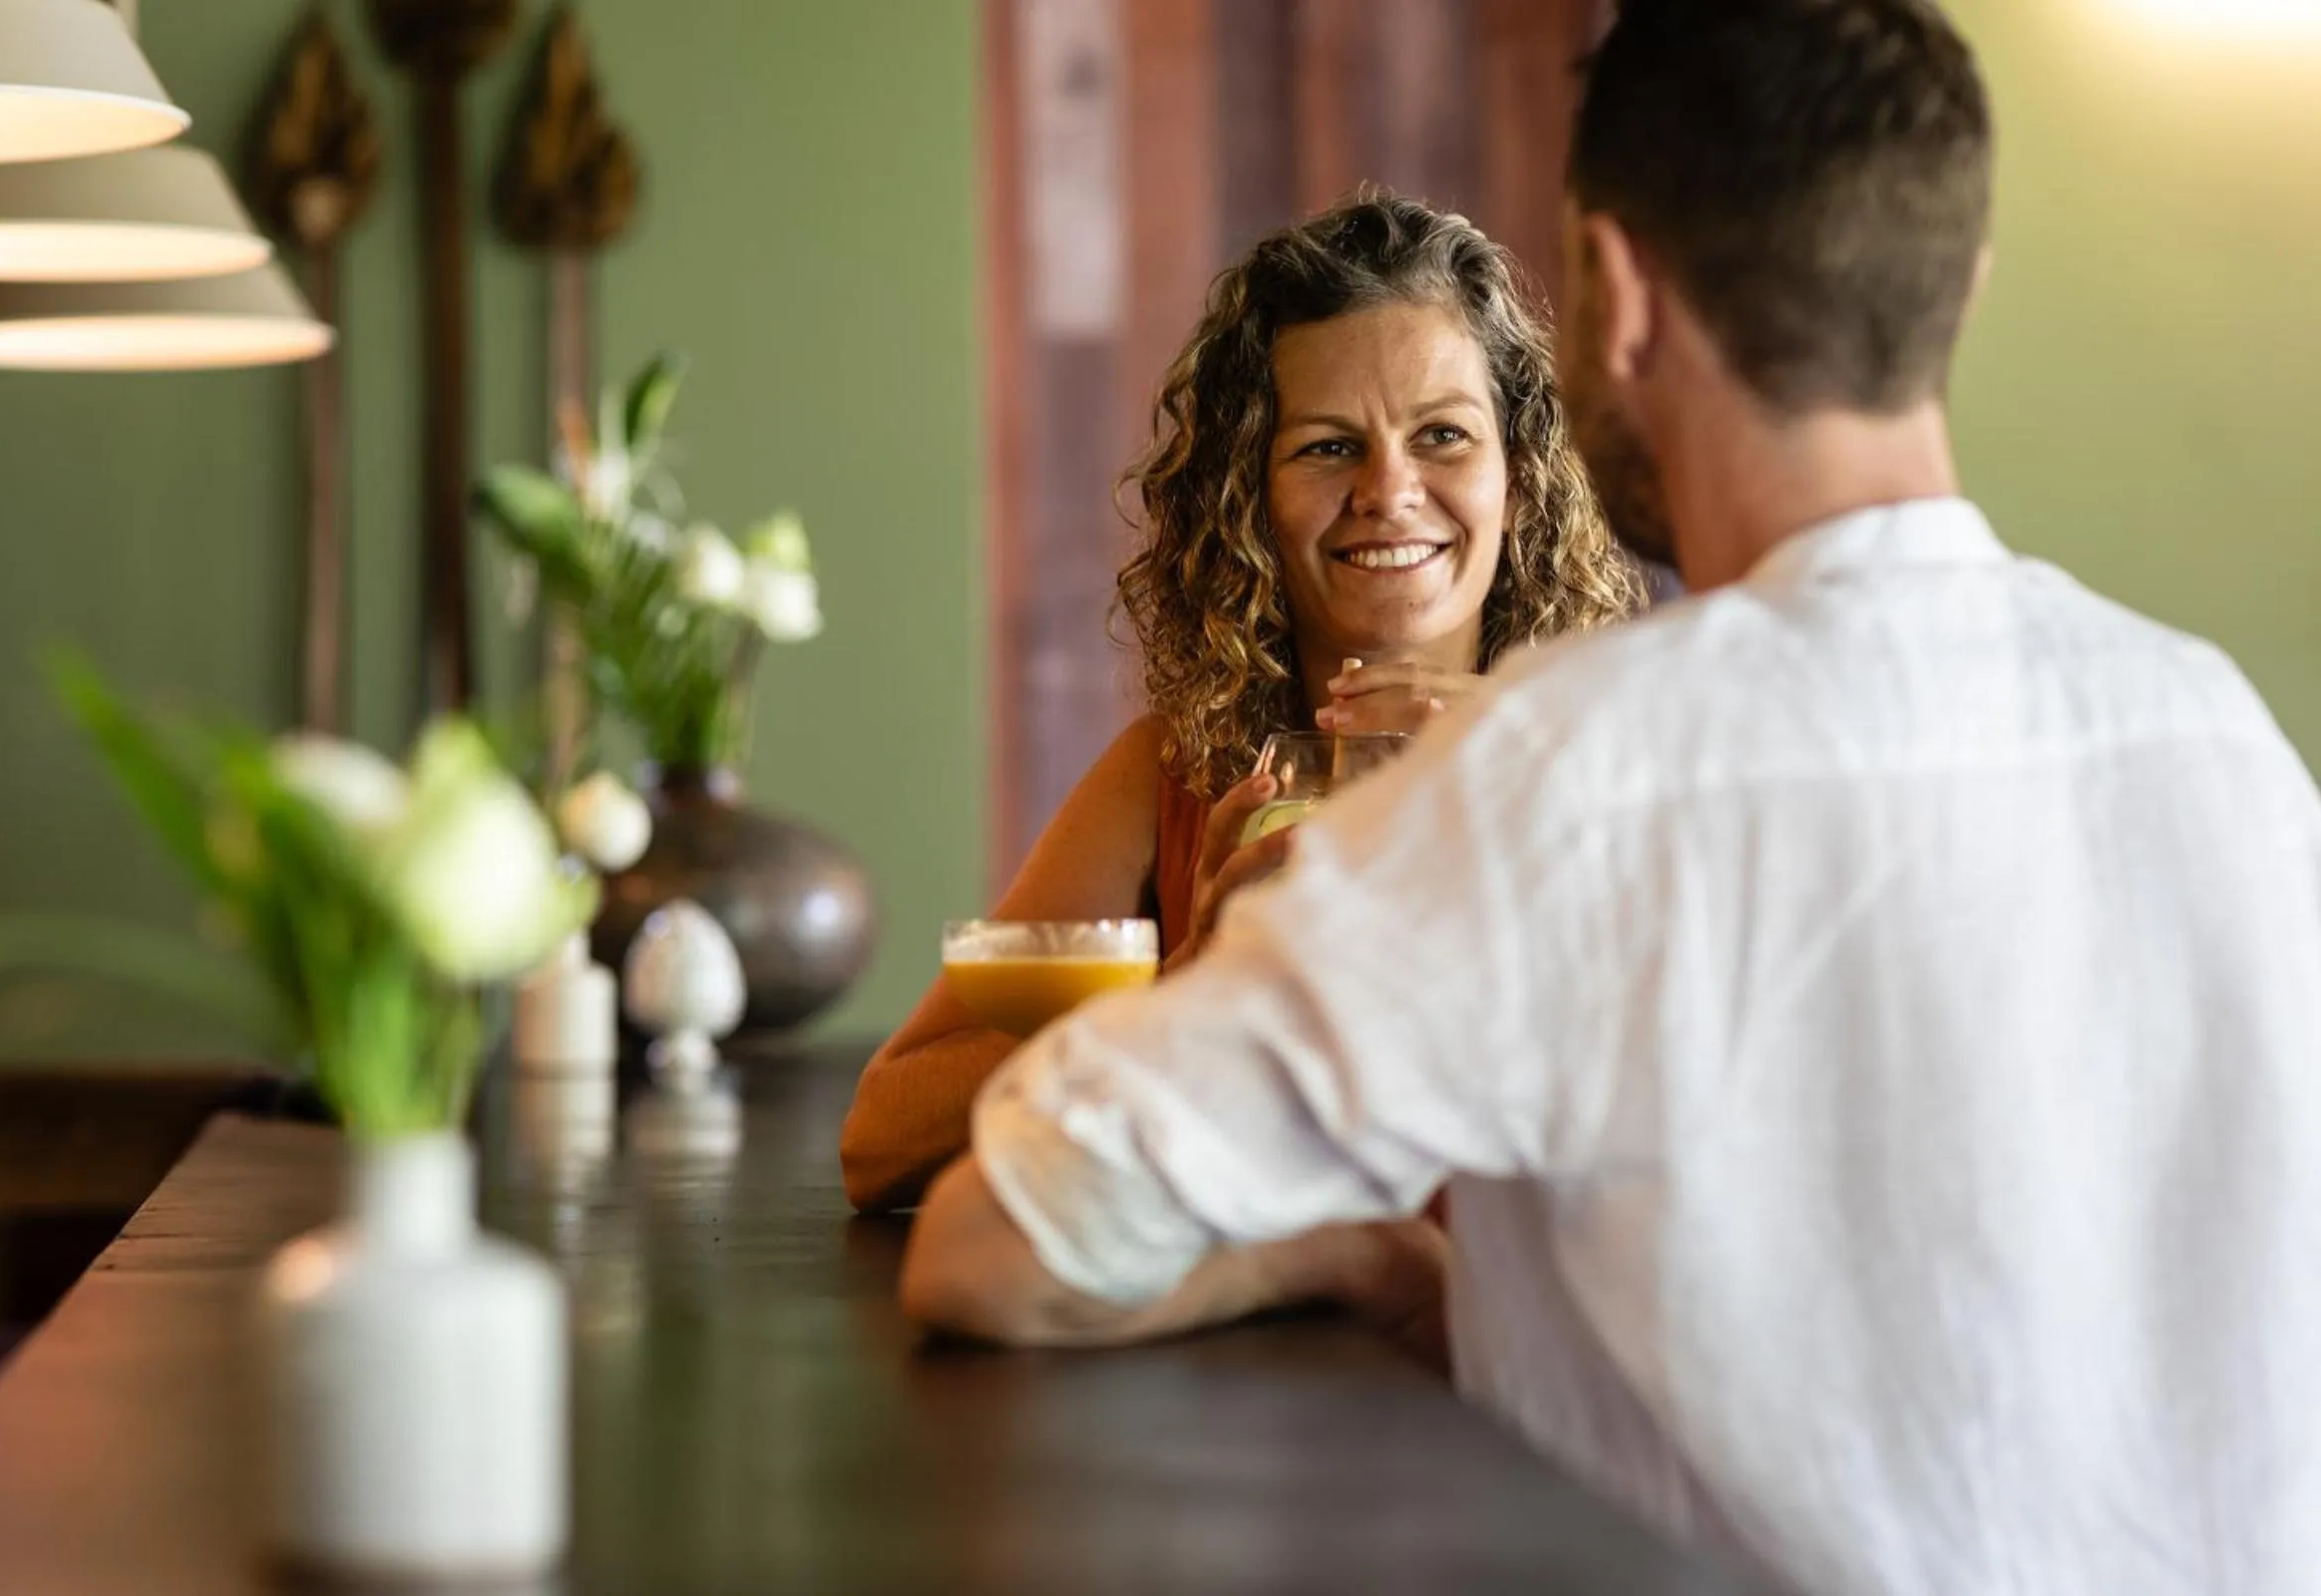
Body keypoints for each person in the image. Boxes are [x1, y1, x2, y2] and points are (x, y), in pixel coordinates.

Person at [899, 1, 2321, 1592]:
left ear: (1620, 293)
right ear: (1956, 292)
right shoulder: (2224, 744)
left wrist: (1355, 1253)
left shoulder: (1563, 774)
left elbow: (994, 1247)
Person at [840, 195, 1645, 1213]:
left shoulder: (1604, 765)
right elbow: (882, 1140)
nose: (1390, 490)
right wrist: (1182, 989)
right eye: (1326, 446)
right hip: (1245, 1359)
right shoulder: (1170, 779)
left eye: (1442, 434)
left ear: (1520, 479)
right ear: (1247, 493)